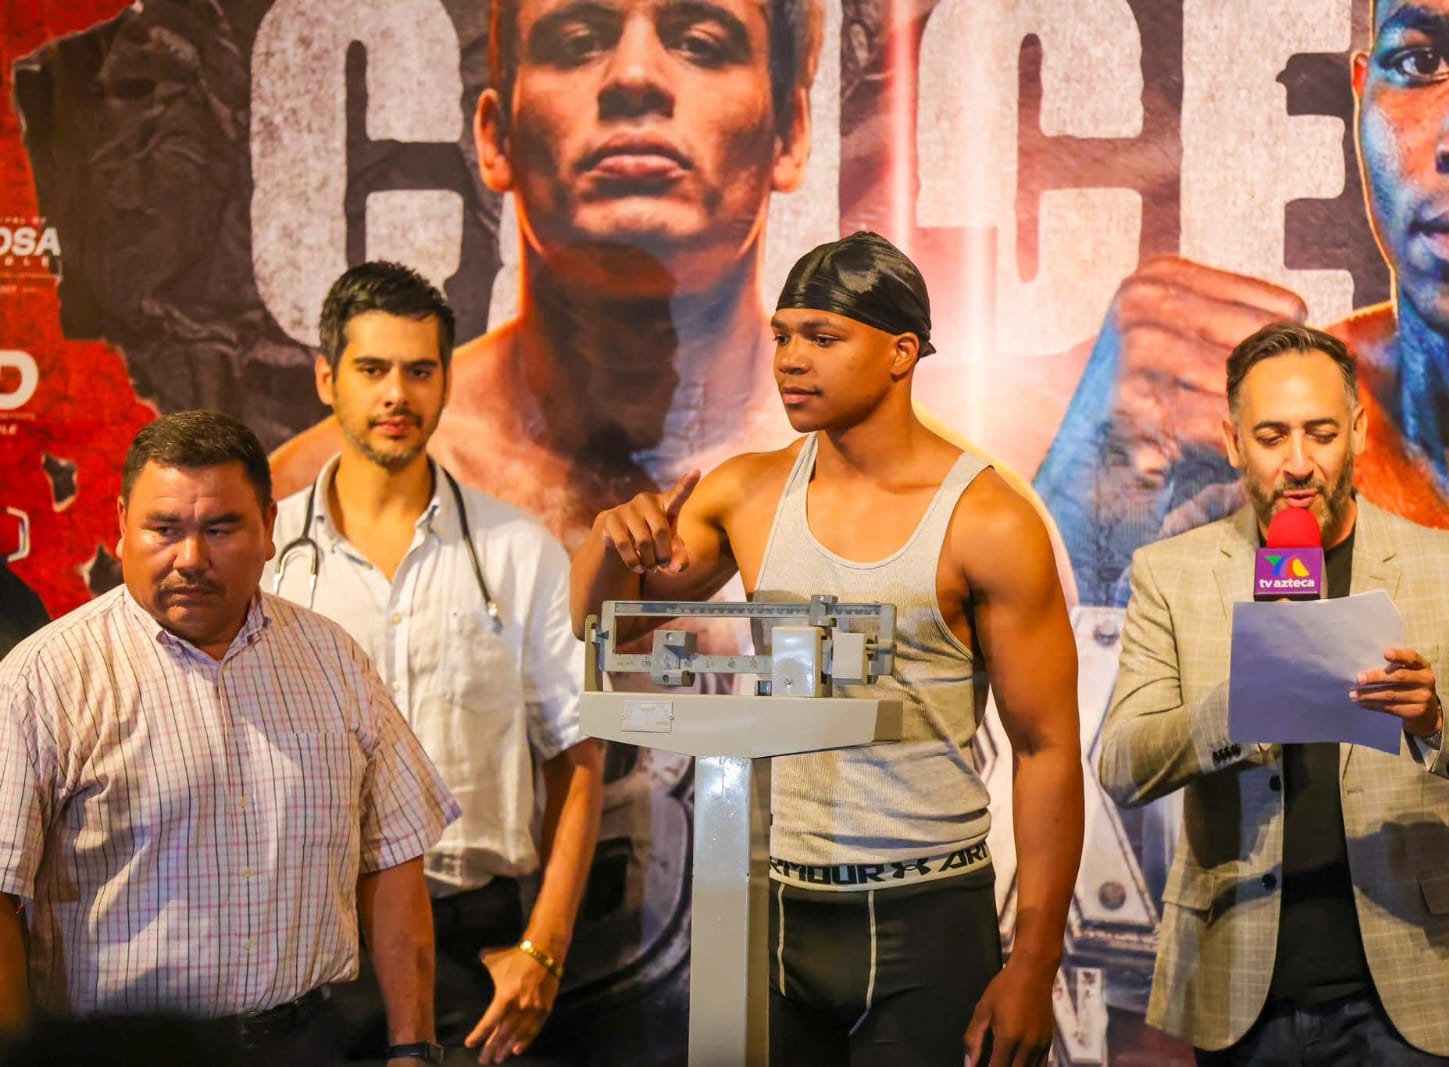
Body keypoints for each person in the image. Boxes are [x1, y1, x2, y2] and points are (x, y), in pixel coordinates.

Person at [1035, 0, 1449, 1053]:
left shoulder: (1440, 568)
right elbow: (1083, 778)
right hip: (1245, 992)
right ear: (1360, 97)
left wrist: (1437, 715)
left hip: (1430, 997)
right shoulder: (1199, 486)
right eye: (1423, 60)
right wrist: (1084, 524)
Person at [570, 231, 1085, 1066]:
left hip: (929, 914)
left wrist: (1035, 960)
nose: (791, 360)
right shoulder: (745, 492)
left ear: (901, 352)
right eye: (782, 336)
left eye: (822, 336)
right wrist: (608, 540)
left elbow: (1046, 747)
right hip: (782, 909)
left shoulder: (988, 519)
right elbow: (599, 623)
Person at [1099, 322, 1449, 1064]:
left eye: (1321, 433)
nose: (1300, 463)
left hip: (1417, 986)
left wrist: (1437, 719)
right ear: (1233, 441)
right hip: (1240, 990)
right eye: (1272, 436)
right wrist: (1238, 702)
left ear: (1359, 432)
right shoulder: (1172, 575)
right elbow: (1121, 764)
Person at [270, 0, 826, 546]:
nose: (634, 76)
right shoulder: (308, 494)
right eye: (578, 43)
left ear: (791, 133)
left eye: (700, 44)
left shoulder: (859, 467)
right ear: (495, 137)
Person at [0, 410, 460, 1066]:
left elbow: (393, 858)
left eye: (219, 528)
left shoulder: (334, 661)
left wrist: (414, 1046)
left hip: (308, 1043)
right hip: (119, 1054)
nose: (190, 558)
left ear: (268, 528)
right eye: (164, 529)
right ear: (121, 524)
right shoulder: (42, 680)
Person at [269, 262, 603, 1066]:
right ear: (327, 379)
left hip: (471, 948)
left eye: (420, 371)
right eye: (372, 369)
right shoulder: (268, 552)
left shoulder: (517, 551)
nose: (397, 394)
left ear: (447, 381)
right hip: (304, 944)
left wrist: (544, 948)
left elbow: (578, 758)